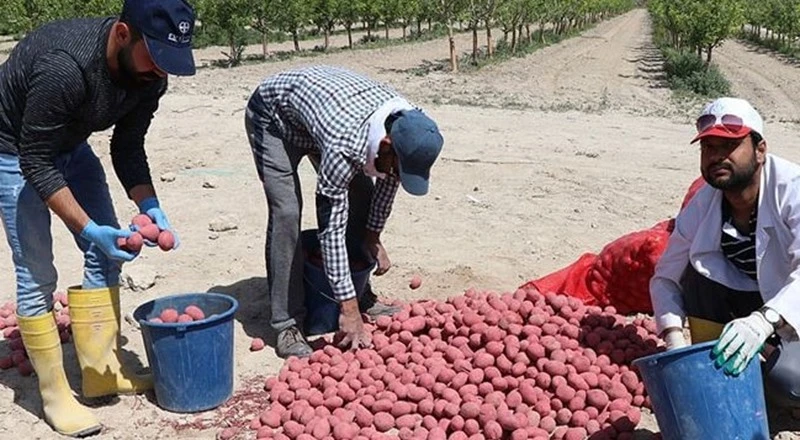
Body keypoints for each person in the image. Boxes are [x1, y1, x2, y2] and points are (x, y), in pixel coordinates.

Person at [0, 0, 195, 436]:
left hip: (70, 144)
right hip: (13, 151)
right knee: (36, 273)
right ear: (123, 34)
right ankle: (54, 395)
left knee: (109, 254)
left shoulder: (149, 75)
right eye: (156, 58)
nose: (161, 72)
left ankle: (99, 369)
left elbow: (128, 147)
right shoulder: (64, 67)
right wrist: (87, 228)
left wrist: (151, 207)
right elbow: (35, 161)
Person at [245, 65, 444, 358]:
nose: (398, 177)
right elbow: (331, 228)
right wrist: (346, 308)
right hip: (274, 118)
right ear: (386, 145)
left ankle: (361, 292)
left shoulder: (409, 126)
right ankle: (286, 322)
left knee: (362, 193)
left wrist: (373, 237)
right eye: (397, 168)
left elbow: (388, 182)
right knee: (286, 212)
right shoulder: (345, 145)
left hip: (321, 117)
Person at [650, 97, 800, 410]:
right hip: (755, 298)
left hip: (789, 304)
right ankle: (715, 361)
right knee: (693, 271)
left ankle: (775, 357)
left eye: (729, 146)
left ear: (760, 151)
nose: (717, 156)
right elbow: (665, 277)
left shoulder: (792, 191)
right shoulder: (704, 204)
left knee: (789, 382)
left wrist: (763, 322)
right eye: (708, 148)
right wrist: (674, 339)